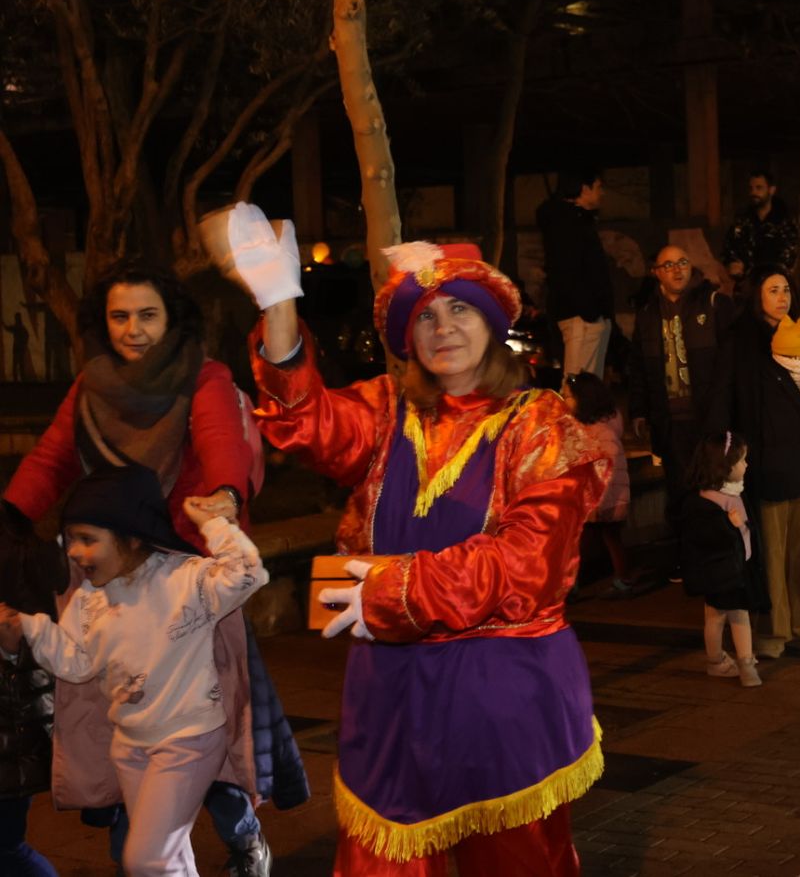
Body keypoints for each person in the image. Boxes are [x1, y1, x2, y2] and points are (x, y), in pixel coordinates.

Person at [207, 205, 610, 876]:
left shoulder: (540, 425)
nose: (443, 327)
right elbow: (305, 420)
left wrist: (377, 587)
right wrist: (279, 305)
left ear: (492, 322)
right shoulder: (385, 409)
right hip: (390, 698)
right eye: (426, 315)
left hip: (499, 697)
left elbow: (525, 566)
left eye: (459, 311)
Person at [2, 262, 296, 877]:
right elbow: (53, 457)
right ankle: (145, 851)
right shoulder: (91, 385)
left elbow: (223, 440)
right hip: (110, 571)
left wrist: (223, 497)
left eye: (147, 314)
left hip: (189, 573)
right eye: (119, 316)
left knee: (205, 727)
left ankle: (238, 838)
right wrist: (8, 514)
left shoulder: (203, 376)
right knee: (108, 715)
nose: (133, 329)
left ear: (173, 319)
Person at [0, 465, 267, 877]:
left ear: (133, 535)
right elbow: (75, 663)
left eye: (88, 540)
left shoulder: (185, 581)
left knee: (146, 859)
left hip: (188, 741)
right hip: (131, 745)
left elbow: (247, 574)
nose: (73, 551)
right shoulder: (89, 599)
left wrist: (214, 523)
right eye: (71, 539)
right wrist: (31, 628)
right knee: (169, 858)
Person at [708, 270, 800, 660]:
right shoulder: (741, 340)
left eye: (786, 289)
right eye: (773, 289)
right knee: (769, 551)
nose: (782, 297)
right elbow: (723, 395)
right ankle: (774, 630)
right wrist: (723, 451)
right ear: (757, 296)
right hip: (764, 462)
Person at [628, 246, 736, 577]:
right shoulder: (647, 314)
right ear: (656, 272)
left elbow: (729, 363)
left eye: (683, 263)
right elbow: (639, 368)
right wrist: (639, 410)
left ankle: (724, 560)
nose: (677, 270)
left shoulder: (711, 303)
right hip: (670, 421)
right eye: (669, 265)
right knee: (680, 493)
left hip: (707, 418)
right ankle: (688, 560)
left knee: (716, 490)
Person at [0, 494, 67, 876]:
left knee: (7, 849)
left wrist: (11, 647)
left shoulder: (17, 545)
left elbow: (40, 646)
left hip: (10, 735)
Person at [680, 431, 764, 688]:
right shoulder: (710, 503)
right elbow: (710, 539)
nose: (746, 465)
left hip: (730, 570)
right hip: (726, 572)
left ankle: (716, 660)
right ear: (725, 466)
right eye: (741, 461)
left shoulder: (724, 494)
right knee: (736, 615)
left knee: (716, 615)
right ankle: (745, 665)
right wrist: (730, 527)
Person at [564, 372, 636, 597]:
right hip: (600, 496)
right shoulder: (591, 427)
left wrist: (599, 498)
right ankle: (620, 579)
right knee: (605, 539)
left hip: (604, 497)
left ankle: (619, 580)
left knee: (588, 539)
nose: (564, 400)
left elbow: (610, 467)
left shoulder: (600, 432)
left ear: (583, 399)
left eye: (568, 396)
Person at [536, 167, 612, 378]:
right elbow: (566, 271)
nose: (601, 193)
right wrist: (589, 311)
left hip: (586, 316)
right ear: (583, 189)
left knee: (587, 387)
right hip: (581, 318)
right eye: (597, 187)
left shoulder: (574, 221)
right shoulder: (567, 224)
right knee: (579, 388)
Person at [722, 170, 800, 284]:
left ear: (771, 190)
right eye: (751, 188)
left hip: (775, 285)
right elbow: (729, 247)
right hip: (746, 286)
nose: (753, 192)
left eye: (759, 188)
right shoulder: (741, 220)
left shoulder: (785, 221)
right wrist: (733, 264)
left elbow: (789, 257)